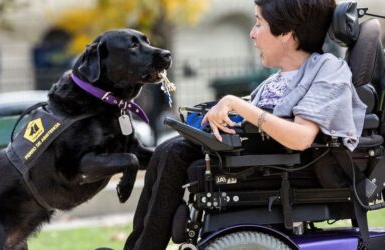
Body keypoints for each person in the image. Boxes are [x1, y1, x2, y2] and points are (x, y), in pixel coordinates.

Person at [124, 0, 367, 249]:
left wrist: (237, 105)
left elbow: (302, 136)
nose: (252, 33)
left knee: (174, 152)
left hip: (286, 163)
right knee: (167, 149)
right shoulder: (281, 76)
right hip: (256, 152)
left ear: (287, 34)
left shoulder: (328, 70)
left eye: (259, 24)